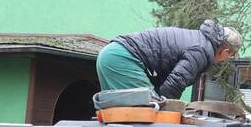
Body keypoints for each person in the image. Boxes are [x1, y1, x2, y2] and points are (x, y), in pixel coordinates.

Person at [96, 19, 242, 99]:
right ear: (226, 51)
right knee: (147, 109)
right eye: (229, 56)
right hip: (123, 58)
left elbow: (164, 82)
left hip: (113, 54)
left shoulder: (198, 40)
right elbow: (173, 85)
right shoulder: (202, 50)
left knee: (118, 114)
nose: (225, 60)